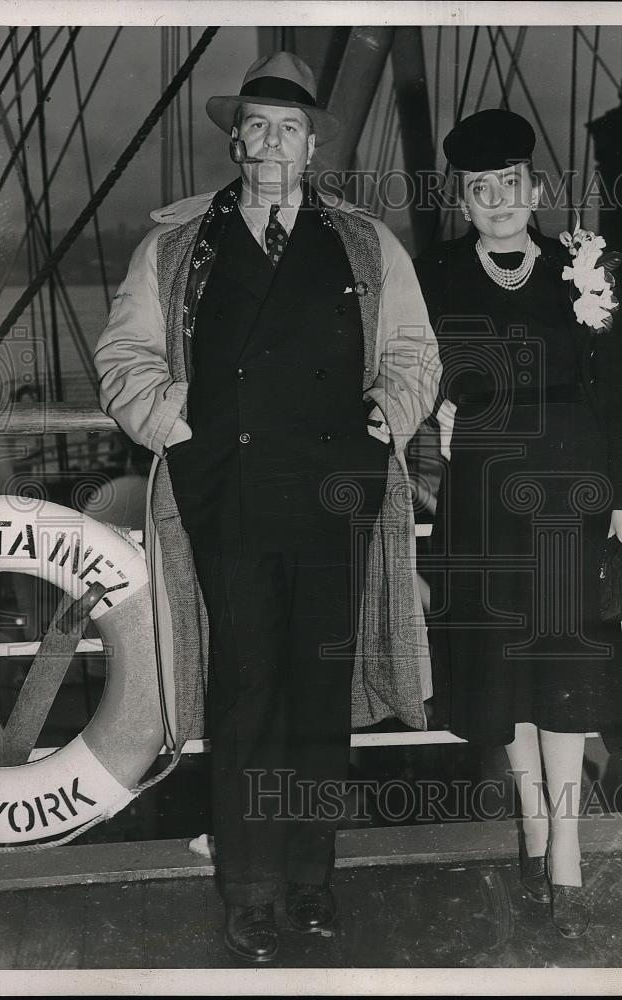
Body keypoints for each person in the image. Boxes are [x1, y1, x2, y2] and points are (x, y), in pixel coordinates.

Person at [94, 51, 440, 963]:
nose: (273, 143)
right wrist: (168, 420)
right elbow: (124, 353)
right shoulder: (175, 245)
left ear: (312, 142)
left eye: (290, 127)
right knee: (247, 692)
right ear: (237, 139)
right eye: (257, 125)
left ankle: (312, 881)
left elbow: (415, 351)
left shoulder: (368, 243)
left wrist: (387, 423)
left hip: (337, 492)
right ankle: (249, 891)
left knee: (319, 696)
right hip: (230, 497)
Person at [414, 109, 622, 939]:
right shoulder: (437, 274)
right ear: (465, 201)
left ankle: (568, 848)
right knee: (502, 667)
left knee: (565, 671)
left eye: (510, 185)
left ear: (535, 189)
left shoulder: (584, 266)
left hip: (574, 492)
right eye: (479, 190)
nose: (497, 201)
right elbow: (411, 372)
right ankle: (533, 824)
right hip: (483, 490)